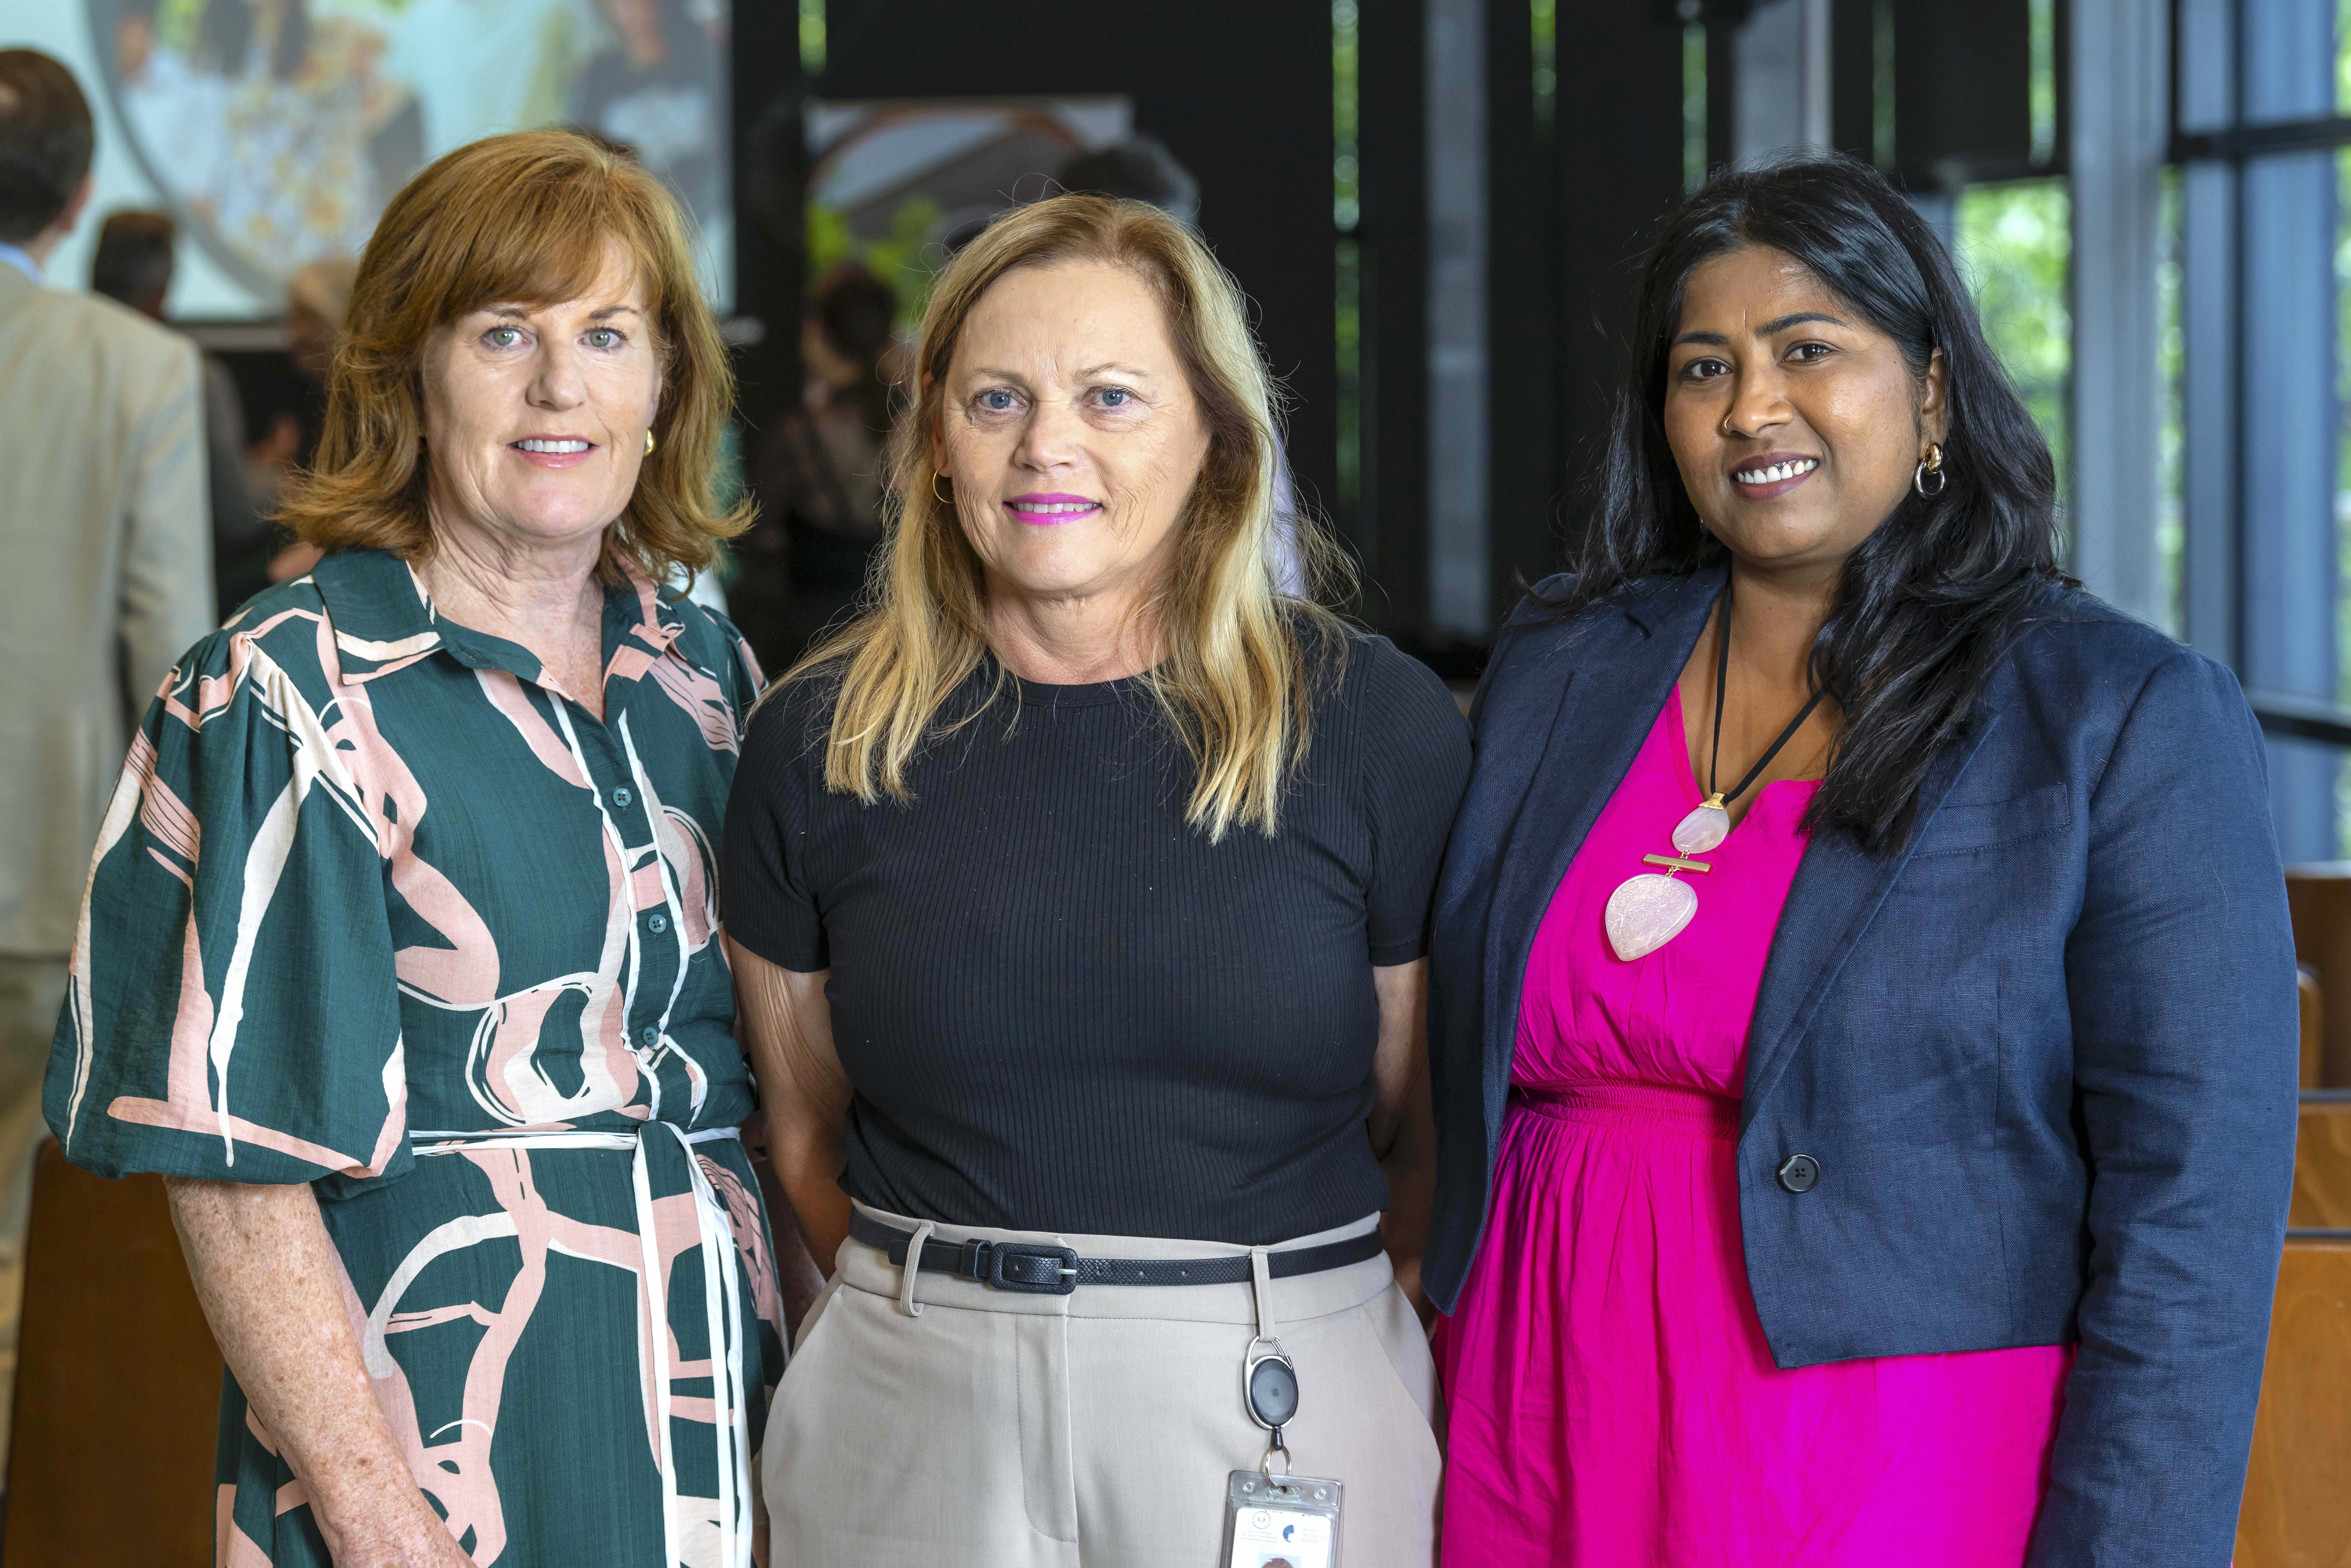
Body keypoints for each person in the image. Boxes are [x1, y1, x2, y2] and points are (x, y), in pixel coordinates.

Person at [1424, 152, 2298, 1566]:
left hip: (1874, 1459)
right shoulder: (1565, 663)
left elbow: (2193, 1215)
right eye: (1703, 367)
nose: (1752, 406)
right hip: (1531, 1411)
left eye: (1808, 350)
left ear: (1934, 388)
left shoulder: (2109, 713)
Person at [47, 129, 783, 1566]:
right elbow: (237, 1178)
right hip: (436, 1443)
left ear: (666, 386)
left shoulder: (707, 676)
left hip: (716, 1423)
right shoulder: (289, 686)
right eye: (504, 331)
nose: (560, 383)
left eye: (607, 334)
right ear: (408, 373)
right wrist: (384, 1521)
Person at [724, 192, 1468, 1566]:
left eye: (1111, 397)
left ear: (1216, 440)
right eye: (995, 397)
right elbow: (805, 1140)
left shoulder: (1377, 727)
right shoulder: (815, 742)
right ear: (934, 438)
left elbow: (1420, 1135)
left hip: (1268, 1392)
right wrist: (974, 1318)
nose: (1045, 445)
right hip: (911, 1392)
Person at [0, 49, 213, 1484]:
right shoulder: (136, 368)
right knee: (25, 1238)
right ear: (79, 201)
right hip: (45, 861)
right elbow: (172, 653)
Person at [89, 207, 278, 618]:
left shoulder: (45, 357)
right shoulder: (189, 373)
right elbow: (241, 513)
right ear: (162, 287)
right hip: (156, 601)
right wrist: (277, 468)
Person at [736, 260, 900, 675]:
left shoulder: (798, 435)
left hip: (811, 645)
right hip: (895, 636)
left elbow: (751, 535)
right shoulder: (908, 421)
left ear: (821, 335)